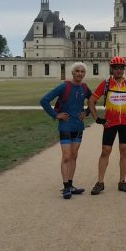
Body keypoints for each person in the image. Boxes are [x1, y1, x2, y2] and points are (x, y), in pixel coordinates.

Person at [40, 62, 91, 199]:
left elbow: (92, 101)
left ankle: (70, 184)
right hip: (65, 126)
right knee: (67, 156)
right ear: (72, 73)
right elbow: (44, 100)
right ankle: (66, 187)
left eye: (82, 71)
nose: (80, 73)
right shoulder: (64, 86)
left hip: (78, 126)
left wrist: (86, 113)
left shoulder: (85, 88)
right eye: (77, 71)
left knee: (74, 156)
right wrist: (56, 115)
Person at [88, 56, 126, 194]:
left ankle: (122, 181)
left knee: (124, 151)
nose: (119, 70)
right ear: (112, 69)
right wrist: (97, 119)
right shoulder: (106, 84)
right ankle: (100, 182)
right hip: (111, 122)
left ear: (124, 69)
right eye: (116, 68)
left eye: (121, 67)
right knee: (105, 151)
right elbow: (92, 101)